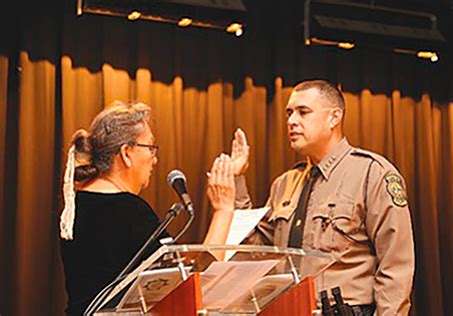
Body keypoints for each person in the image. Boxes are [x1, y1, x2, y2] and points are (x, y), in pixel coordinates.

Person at [206, 80, 415, 315]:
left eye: (303, 112)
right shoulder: (284, 184)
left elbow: (396, 265)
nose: (291, 121)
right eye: (289, 113)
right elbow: (257, 253)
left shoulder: (371, 173)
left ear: (334, 118)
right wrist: (235, 182)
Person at [59, 101, 233, 315]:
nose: (155, 159)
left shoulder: (76, 204)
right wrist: (224, 210)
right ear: (126, 153)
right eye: (150, 148)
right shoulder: (129, 211)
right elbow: (195, 284)